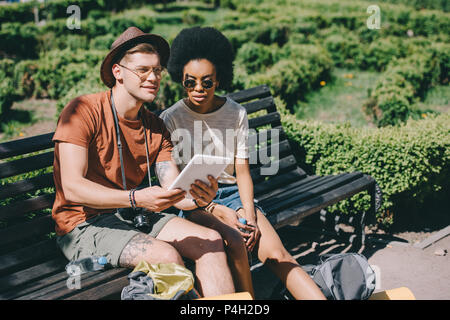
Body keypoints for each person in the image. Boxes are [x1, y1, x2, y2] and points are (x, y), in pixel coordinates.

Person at [51, 27, 236, 297]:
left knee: (210, 240)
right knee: (166, 256)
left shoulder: (155, 126)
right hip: (82, 226)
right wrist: (136, 198)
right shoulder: (82, 111)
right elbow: (72, 188)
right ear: (118, 72)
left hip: (132, 216)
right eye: (143, 70)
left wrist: (200, 197)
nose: (153, 77)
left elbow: (174, 192)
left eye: (157, 70)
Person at [160, 26, 327, 300]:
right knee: (236, 241)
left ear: (220, 78)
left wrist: (249, 215)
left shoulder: (236, 114)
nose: (198, 89)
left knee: (276, 254)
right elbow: (177, 187)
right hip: (195, 202)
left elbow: (242, 172)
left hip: (234, 194)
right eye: (190, 82)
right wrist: (214, 207)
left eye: (207, 81)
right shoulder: (171, 118)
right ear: (181, 77)